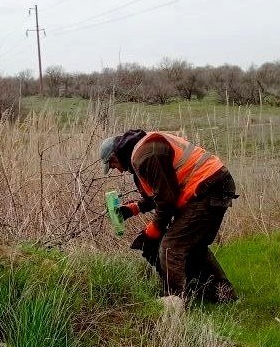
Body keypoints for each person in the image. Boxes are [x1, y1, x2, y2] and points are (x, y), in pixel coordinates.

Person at [100, 128, 238, 303]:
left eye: (113, 165)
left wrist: (153, 230)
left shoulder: (145, 155)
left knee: (170, 247)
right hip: (213, 184)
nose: (118, 170)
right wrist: (133, 208)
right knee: (194, 246)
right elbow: (162, 192)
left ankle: (175, 303)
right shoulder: (143, 149)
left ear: (115, 156)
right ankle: (224, 296)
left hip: (207, 188)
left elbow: (166, 201)